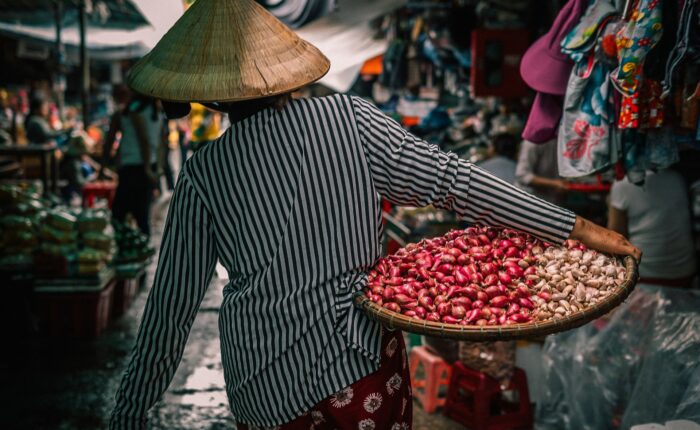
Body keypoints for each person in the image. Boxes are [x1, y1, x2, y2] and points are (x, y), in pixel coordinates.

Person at [110, 1, 641, 429]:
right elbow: (455, 182)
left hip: (265, 390)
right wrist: (576, 227)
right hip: (357, 369)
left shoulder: (205, 172)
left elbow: (171, 307)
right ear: (282, 67)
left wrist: (130, 413)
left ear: (208, 96)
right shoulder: (348, 120)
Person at [608, 168, 696, 287]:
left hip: (642, 275)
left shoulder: (622, 184)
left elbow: (615, 238)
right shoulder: (676, 178)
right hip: (684, 271)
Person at [102, 93, 165, 237]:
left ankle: (126, 248)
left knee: (119, 213)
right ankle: (141, 249)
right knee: (142, 213)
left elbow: (144, 141)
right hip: (148, 167)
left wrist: (148, 167)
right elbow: (162, 143)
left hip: (133, 167)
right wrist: (157, 168)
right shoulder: (157, 112)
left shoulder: (129, 112)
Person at [515, 138, 569, 204]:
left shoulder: (561, 140)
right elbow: (523, 175)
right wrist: (555, 184)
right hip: (531, 201)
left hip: (552, 201)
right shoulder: (532, 141)